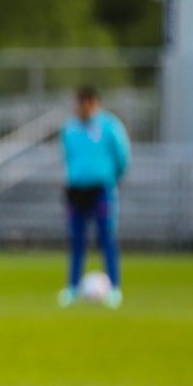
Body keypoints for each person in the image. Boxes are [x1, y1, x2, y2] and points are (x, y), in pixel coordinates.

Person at [57, 86, 131, 308]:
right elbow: (68, 157)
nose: (82, 108)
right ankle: (72, 288)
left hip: (101, 190)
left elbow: (122, 157)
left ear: (95, 103)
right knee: (77, 240)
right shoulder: (69, 129)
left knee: (106, 238)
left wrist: (112, 178)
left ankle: (114, 288)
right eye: (79, 103)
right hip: (77, 192)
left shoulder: (109, 126)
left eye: (86, 103)